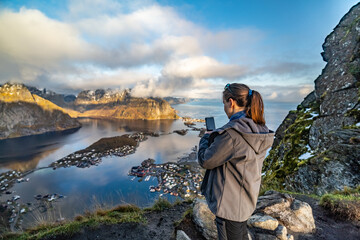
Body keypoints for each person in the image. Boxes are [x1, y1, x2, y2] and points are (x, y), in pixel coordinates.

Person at [198, 83, 274, 240]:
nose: (225, 108)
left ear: (231, 102)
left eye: (224, 103)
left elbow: (206, 160)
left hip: (229, 206)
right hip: (245, 200)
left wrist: (207, 137)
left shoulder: (232, 134)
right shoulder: (258, 128)